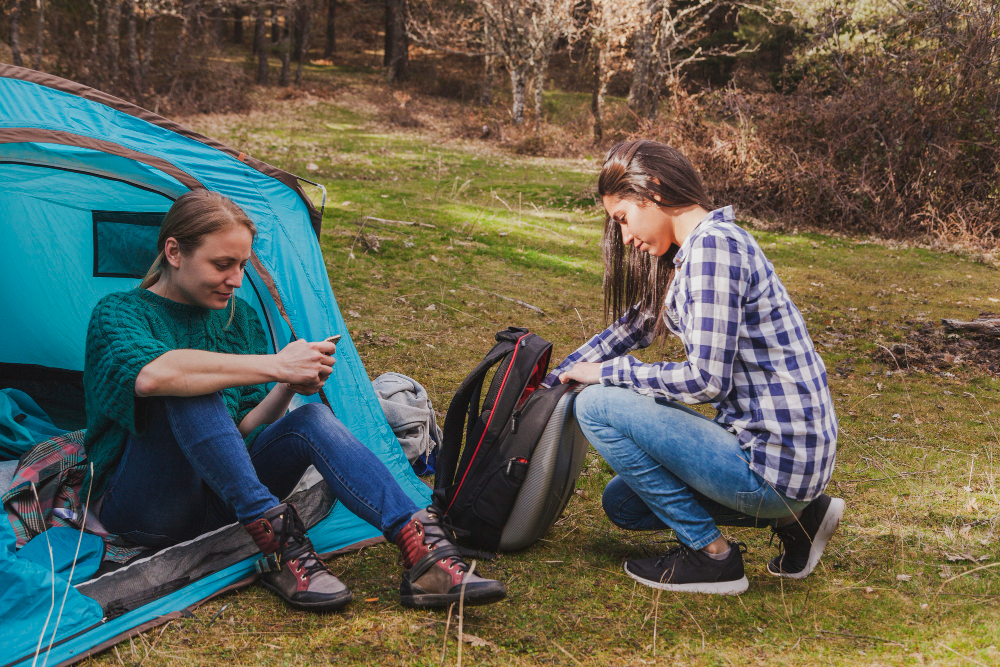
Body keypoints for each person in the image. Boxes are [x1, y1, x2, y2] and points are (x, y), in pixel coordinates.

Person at [83, 190, 506, 611]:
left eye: (243, 265)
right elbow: (152, 377)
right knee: (188, 384)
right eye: (222, 264)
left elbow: (243, 426)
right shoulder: (119, 313)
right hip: (146, 508)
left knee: (313, 419)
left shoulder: (238, 318)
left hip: (221, 500)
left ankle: (422, 548)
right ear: (174, 252)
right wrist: (276, 366)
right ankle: (282, 548)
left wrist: (288, 387)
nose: (235, 280)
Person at [543, 140, 843, 595]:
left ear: (655, 191)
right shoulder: (696, 250)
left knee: (597, 405)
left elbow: (705, 380)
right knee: (624, 505)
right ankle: (802, 518)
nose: (624, 238)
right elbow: (636, 326)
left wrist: (605, 375)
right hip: (785, 463)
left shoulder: (713, 252)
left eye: (623, 218)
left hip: (773, 465)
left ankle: (712, 557)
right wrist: (555, 378)